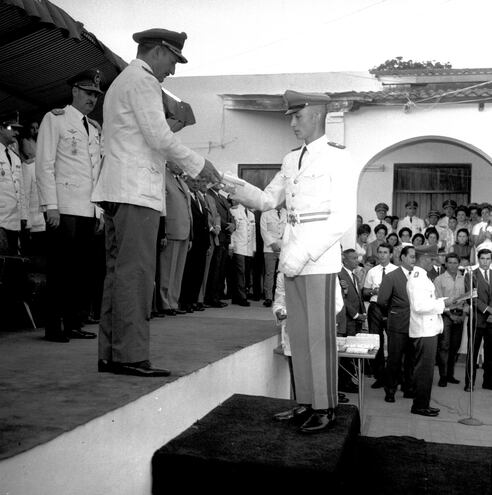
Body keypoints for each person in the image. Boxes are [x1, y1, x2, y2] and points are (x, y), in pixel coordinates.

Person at [91, 28, 221, 377]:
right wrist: (199, 164)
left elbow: (145, 139)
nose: (174, 71)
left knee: (118, 276)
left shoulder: (124, 80)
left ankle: (111, 353)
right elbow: (158, 135)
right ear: (160, 51)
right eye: (174, 60)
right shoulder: (145, 81)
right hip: (136, 193)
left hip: (120, 191)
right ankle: (130, 356)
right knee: (137, 275)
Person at [223, 89, 354, 433]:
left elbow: (340, 219)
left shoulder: (338, 158)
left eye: (298, 116)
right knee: (296, 335)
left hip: (317, 259)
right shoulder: (290, 159)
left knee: (318, 337)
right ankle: (305, 403)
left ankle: (325, 407)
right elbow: (268, 199)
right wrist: (230, 185)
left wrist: (301, 253)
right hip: (291, 258)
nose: (293, 123)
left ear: (316, 114)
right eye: (291, 118)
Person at [36, 71, 104, 342]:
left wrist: (98, 209)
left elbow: (96, 170)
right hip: (63, 206)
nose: (92, 99)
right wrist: (50, 205)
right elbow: (44, 164)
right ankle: (54, 326)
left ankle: (73, 322)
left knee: (81, 271)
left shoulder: (94, 127)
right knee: (61, 270)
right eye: (89, 93)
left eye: (96, 95)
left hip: (87, 208)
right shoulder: (55, 119)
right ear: (75, 90)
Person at [406, 245, 445, 417]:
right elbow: (420, 306)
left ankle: (423, 403)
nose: (433, 263)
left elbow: (429, 301)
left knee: (426, 370)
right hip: (424, 331)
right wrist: (444, 304)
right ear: (423, 258)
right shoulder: (417, 278)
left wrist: (445, 301)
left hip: (428, 329)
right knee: (424, 371)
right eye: (431, 259)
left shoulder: (423, 277)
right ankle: (420, 406)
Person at [377, 245, 416, 403]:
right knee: (394, 359)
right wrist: (394, 313)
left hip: (415, 325)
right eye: (412, 256)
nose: (414, 260)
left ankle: (408, 388)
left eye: (415, 257)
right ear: (403, 258)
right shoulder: (391, 276)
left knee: (411, 359)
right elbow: (381, 301)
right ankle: (390, 390)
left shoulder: (418, 276)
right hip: (397, 324)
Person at [155, 162, 192, 316]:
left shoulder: (181, 182)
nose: (182, 165)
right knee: (167, 271)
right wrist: (162, 231)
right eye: (178, 162)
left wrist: (191, 235)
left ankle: (173, 301)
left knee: (177, 272)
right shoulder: (163, 176)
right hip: (171, 230)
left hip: (184, 231)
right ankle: (165, 303)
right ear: (169, 161)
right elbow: (162, 206)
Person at [363, 243, 397, 388]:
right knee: (376, 341)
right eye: (380, 252)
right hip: (375, 307)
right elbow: (365, 291)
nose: (382, 255)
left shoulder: (397, 271)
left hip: (391, 308)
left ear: (391, 255)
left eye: (385, 252)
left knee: (395, 342)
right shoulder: (372, 271)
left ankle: (394, 375)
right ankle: (380, 376)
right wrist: (373, 292)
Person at [433, 253, 466, 387]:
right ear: (445, 264)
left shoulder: (464, 279)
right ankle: (443, 376)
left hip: (460, 315)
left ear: (459, 264)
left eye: (455, 262)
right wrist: (449, 314)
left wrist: (463, 314)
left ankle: (451, 375)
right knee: (444, 347)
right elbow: (438, 300)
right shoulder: (439, 280)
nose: (452, 265)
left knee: (455, 347)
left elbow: (467, 298)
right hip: (445, 315)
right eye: (450, 262)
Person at [180, 176, 210, 312]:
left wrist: (208, 242)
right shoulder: (187, 196)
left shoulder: (200, 198)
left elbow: (205, 220)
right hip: (192, 240)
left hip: (203, 242)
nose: (196, 184)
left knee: (199, 273)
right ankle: (185, 301)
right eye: (193, 181)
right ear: (186, 181)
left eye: (199, 181)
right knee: (189, 273)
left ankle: (193, 300)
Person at [338, 249, 366, 393]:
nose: (357, 260)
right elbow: (343, 299)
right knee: (345, 354)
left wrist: (363, 313)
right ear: (345, 260)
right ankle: (344, 383)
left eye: (357, 258)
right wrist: (356, 315)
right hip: (347, 320)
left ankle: (348, 381)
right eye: (354, 258)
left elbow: (358, 297)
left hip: (355, 321)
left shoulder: (354, 276)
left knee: (351, 352)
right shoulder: (339, 274)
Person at [464, 248, 492, 391]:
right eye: (482, 259)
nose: (485, 262)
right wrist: (488, 309)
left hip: (491, 322)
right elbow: (472, 297)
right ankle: (469, 383)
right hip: (477, 320)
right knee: (472, 352)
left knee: (490, 352)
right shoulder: (471, 275)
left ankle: (488, 382)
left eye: (488, 259)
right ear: (478, 259)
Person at [0, 113, 27, 255]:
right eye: (11, 128)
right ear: (0, 128)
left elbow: (20, 189)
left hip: (14, 221)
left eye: (17, 129)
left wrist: (23, 216)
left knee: (11, 260)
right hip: (0, 219)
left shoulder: (15, 158)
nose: (16, 133)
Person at [197, 177, 221, 310]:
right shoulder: (197, 197)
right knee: (201, 269)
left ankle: (203, 297)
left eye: (207, 182)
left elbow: (216, 215)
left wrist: (217, 226)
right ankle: (198, 298)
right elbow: (203, 217)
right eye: (202, 182)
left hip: (214, 238)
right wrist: (211, 228)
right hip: (205, 235)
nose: (205, 185)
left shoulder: (210, 199)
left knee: (208, 271)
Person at [228, 199, 255, 306]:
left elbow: (253, 234)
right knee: (240, 272)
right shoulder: (234, 211)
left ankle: (237, 296)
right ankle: (241, 297)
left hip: (248, 248)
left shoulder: (251, 214)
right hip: (238, 247)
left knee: (245, 272)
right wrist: (231, 246)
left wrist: (253, 249)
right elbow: (232, 232)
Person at [260, 206, 287, 307]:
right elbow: (263, 230)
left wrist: (284, 244)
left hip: (284, 248)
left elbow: (289, 229)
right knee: (269, 273)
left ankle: (281, 298)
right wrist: (272, 244)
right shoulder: (266, 212)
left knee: (283, 273)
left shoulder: (286, 212)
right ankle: (268, 297)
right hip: (269, 248)